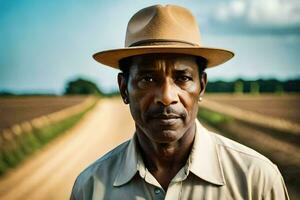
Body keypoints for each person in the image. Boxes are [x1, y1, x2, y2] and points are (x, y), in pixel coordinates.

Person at [71, 4, 289, 200]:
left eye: (183, 78)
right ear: (123, 89)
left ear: (201, 86)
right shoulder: (90, 188)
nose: (167, 97)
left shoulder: (256, 180)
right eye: (147, 79)